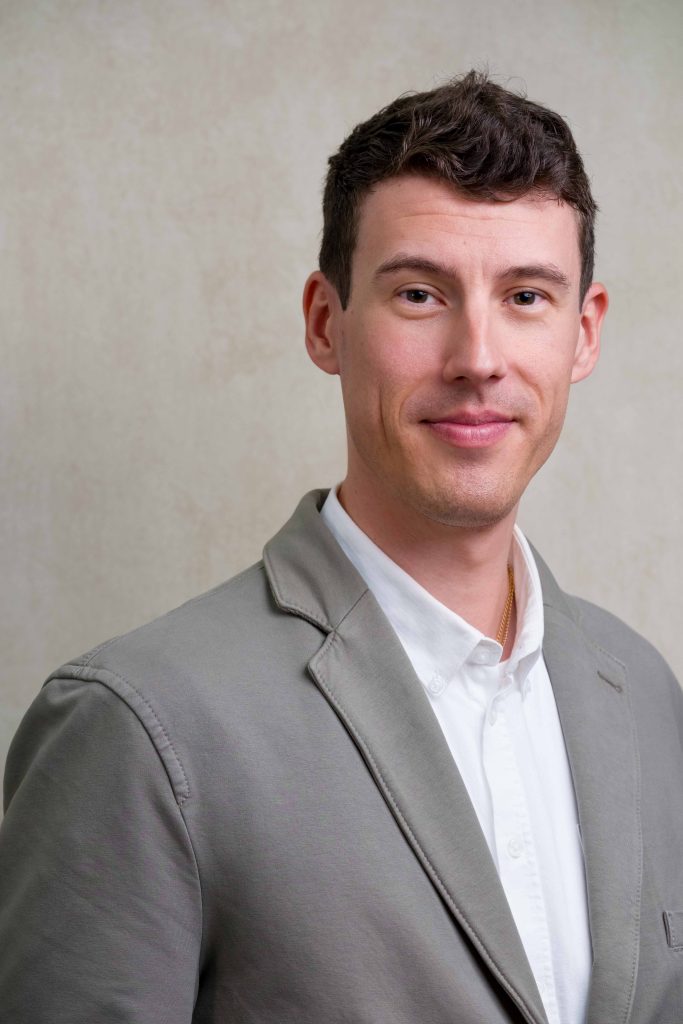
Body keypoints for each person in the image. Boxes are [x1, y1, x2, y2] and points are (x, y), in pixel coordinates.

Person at [0, 71, 681, 1024]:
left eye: (525, 295)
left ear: (583, 333)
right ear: (327, 323)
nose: (477, 355)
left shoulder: (647, 695)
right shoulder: (136, 729)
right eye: (417, 292)